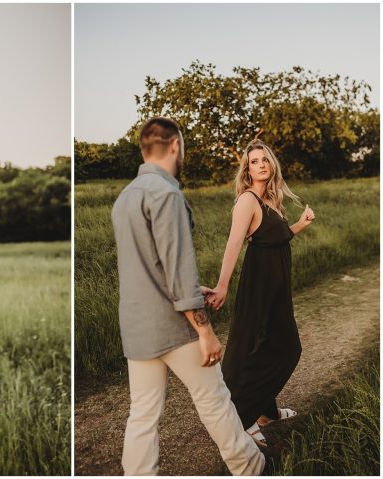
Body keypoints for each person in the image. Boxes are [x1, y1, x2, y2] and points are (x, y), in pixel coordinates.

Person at [111, 117, 264, 475]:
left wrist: (194, 290)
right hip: (175, 327)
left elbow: (147, 269)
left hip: (136, 328)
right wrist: (205, 331)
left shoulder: (125, 198)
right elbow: (177, 269)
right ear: (176, 145)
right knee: (215, 401)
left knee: (143, 416)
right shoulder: (166, 194)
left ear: (144, 149)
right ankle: (252, 469)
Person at [203, 139, 314, 447]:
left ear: (271, 164)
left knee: (271, 346)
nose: (261, 164)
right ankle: (243, 416)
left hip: (278, 287)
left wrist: (300, 225)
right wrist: (223, 285)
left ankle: (267, 412)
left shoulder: (271, 201)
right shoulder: (247, 201)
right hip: (260, 286)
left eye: (265, 159)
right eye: (254, 161)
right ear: (247, 169)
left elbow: (275, 239)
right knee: (276, 348)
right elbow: (233, 244)